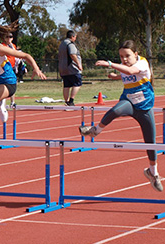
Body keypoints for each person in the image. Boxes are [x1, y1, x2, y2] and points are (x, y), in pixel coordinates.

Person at [79, 40, 162, 192]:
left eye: (127, 56)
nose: (124, 59)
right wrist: (115, 76)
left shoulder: (142, 63)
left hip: (144, 107)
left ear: (136, 54)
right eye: (121, 56)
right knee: (116, 110)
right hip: (129, 102)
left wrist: (110, 64)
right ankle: (95, 130)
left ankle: (153, 172)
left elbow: (132, 72)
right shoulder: (125, 67)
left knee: (151, 142)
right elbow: (126, 74)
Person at [58, 30, 82, 106]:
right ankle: (71, 100)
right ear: (72, 36)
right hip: (72, 68)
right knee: (77, 84)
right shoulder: (70, 44)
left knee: (66, 85)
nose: (75, 39)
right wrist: (78, 64)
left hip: (63, 68)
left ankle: (66, 101)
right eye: (75, 37)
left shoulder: (62, 44)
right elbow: (72, 54)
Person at [2, 33, 17, 106]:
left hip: (13, 67)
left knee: (12, 84)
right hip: (5, 67)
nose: (8, 38)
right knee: (4, 85)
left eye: (10, 37)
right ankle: (2, 103)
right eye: (7, 37)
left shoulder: (13, 46)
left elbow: (15, 53)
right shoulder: (2, 46)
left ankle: (12, 102)